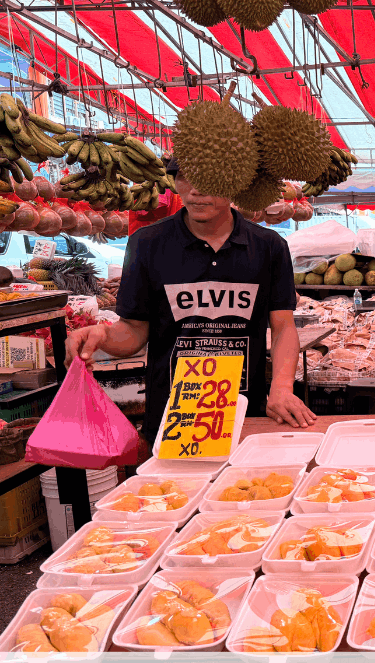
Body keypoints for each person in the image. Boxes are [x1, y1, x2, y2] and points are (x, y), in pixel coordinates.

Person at [65, 159, 316, 447]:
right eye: (185, 177)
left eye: (211, 178)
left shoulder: (269, 247)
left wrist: (282, 388)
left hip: (244, 413)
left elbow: (283, 327)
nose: (196, 190)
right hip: (171, 418)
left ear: (236, 182)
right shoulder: (147, 243)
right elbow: (134, 330)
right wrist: (103, 335)